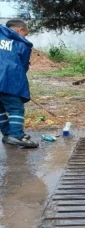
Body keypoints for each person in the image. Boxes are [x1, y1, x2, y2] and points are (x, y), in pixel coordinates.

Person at [0, 19, 39, 148]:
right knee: (16, 108)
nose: (25, 37)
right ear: (19, 30)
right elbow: (23, 67)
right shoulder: (22, 43)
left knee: (0, 108)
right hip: (8, 80)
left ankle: (8, 134)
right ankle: (16, 135)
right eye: (25, 33)